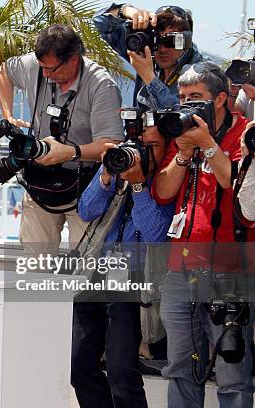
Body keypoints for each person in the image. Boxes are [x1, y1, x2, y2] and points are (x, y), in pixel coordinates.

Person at [152, 62, 254, 408]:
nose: (186, 106)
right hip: (181, 270)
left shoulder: (245, 133)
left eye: (196, 98)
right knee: (180, 368)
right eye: (182, 98)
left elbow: (239, 187)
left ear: (221, 99)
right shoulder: (180, 131)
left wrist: (209, 145)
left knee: (232, 373)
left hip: (231, 272)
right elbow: (163, 193)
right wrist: (182, 153)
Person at [0, 24, 123, 255]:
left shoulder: (101, 85)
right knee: (34, 263)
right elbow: (4, 71)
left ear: (74, 59)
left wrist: (69, 152)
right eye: (42, 68)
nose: (45, 75)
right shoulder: (36, 67)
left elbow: (111, 144)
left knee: (85, 266)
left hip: (84, 186)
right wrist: (9, 116)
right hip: (38, 182)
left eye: (51, 69)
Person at [74, 124, 175, 408]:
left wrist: (140, 183)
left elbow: (155, 235)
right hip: (95, 274)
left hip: (132, 280)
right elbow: (86, 210)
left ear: (167, 147)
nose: (141, 152)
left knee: (121, 372)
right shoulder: (117, 169)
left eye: (152, 146)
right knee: (77, 366)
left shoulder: (166, 181)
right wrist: (106, 176)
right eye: (139, 144)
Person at [94, 4, 203, 109]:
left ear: (186, 41)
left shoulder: (200, 73)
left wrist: (150, 79)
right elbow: (99, 22)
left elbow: (186, 116)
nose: (162, 49)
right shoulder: (145, 54)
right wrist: (125, 11)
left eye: (171, 41)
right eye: (156, 41)